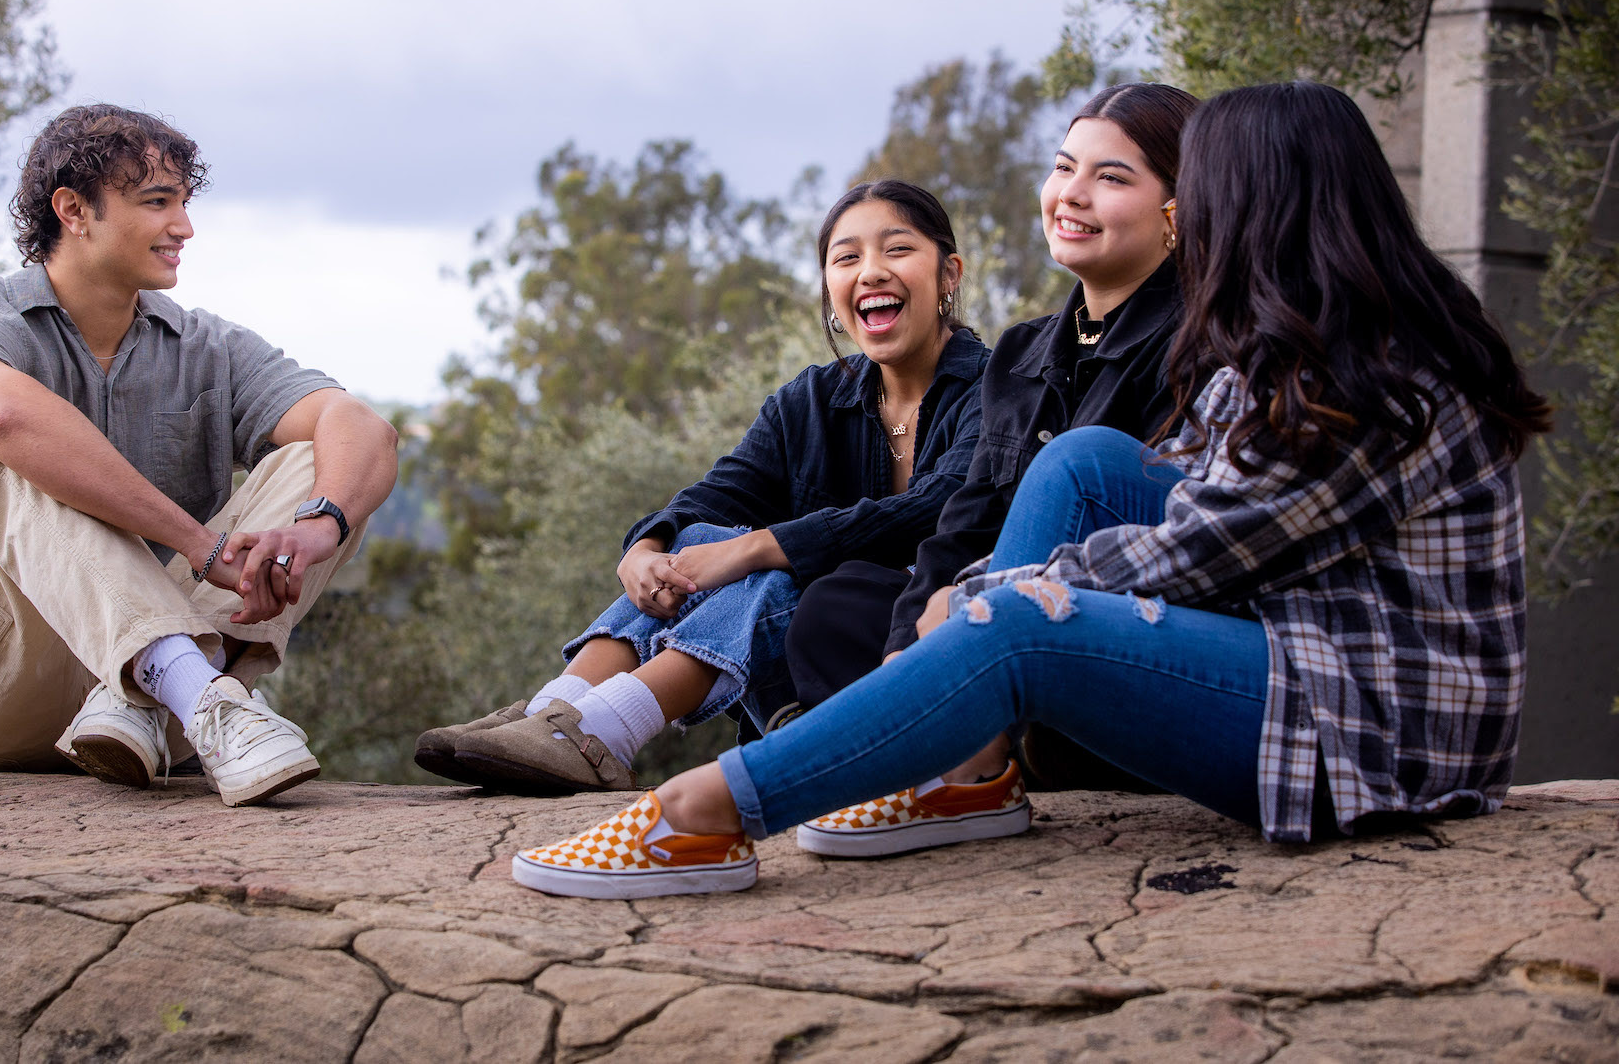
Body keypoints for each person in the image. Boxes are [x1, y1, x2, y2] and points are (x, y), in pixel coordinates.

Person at [511, 80, 1550, 897]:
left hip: (1369, 731)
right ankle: (965, 769)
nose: (1200, 221)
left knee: (1017, 624)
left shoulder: (1366, 373)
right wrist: (985, 583)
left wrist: (985, 600)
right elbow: (1172, 494)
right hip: (1311, 659)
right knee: (1082, 460)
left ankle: (710, 810)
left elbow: (1199, 551)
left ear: (1259, 208)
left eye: (1208, 197)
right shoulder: (1299, 345)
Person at [0, 104, 399, 808]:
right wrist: (198, 543)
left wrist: (318, 524)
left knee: (317, 461)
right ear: (74, 210)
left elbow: (359, 425)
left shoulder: (208, 348)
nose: (184, 225)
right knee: (19, 455)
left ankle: (163, 692)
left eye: (183, 201)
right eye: (157, 201)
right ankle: (196, 689)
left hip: (120, 718)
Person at [416, 182, 989, 793]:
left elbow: (940, 508)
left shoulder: (997, 385)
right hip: (815, 654)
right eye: (847, 258)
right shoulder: (812, 402)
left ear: (948, 272)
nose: (871, 272)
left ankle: (598, 733)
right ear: (829, 287)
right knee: (704, 535)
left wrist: (752, 549)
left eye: (896, 250)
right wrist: (646, 548)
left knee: (771, 564)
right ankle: (555, 712)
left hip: (911, 640)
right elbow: (721, 491)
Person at [784, 81, 1197, 797]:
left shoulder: (1201, 344)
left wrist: (978, 596)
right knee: (837, 605)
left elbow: (1159, 538)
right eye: (1064, 167)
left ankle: (990, 745)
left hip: (1098, 619)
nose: (1072, 194)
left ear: (1177, 211)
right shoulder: (1024, 352)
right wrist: (906, 646)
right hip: (990, 609)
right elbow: (963, 520)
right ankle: (984, 733)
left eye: (1110, 177)